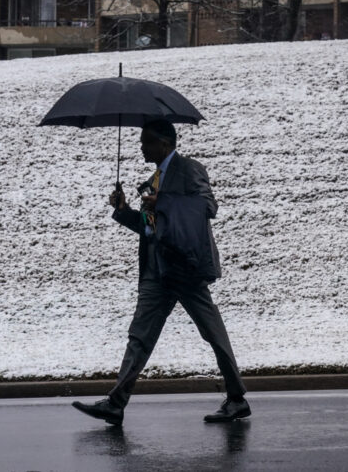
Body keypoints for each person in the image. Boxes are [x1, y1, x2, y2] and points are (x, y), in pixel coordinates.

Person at [72, 119, 250, 426]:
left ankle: (236, 399)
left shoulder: (189, 169)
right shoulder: (154, 178)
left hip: (186, 268)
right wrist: (124, 210)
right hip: (157, 271)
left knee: (213, 333)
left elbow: (207, 207)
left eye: (146, 141)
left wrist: (163, 202)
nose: (141, 146)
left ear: (164, 143)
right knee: (139, 337)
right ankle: (115, 404)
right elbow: (149, 227)